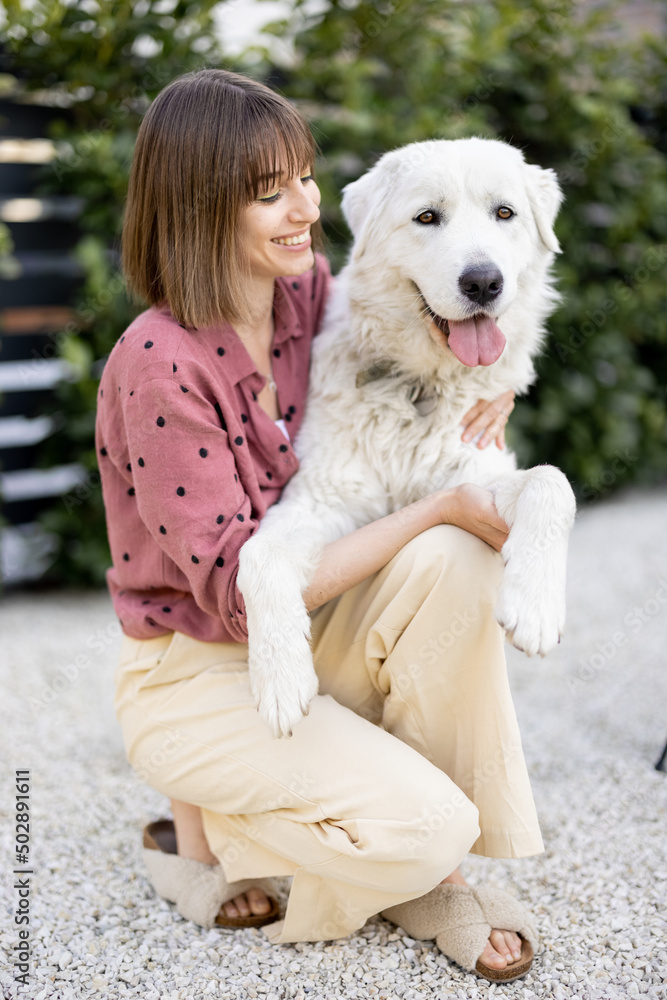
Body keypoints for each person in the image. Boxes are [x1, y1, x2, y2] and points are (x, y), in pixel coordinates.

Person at [96, 68, 543, 982]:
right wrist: (441, 504)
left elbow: (444, 345)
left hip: (308, 628)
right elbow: (234, 594)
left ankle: (433, 873)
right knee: (425, 824)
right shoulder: (158, 361)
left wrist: (479, 393)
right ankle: (207, 829)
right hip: (198, 664)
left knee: (458, 559)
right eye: (271, 193)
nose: (307, 207)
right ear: (198, 208)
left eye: (303, 176)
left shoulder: (307, 297)